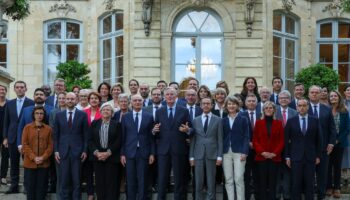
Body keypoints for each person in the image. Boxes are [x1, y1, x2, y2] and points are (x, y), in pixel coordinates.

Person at [153, 87, 191, 200]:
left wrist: (187, 130)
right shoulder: (159, 111)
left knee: (179, 178)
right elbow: (155, 129)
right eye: (167, 94)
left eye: (172, 94)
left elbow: (191, 129)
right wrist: (154, 130)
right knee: (162, 178)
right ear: (164, 97)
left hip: (179, 149)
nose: (170, 96)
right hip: (163, 150)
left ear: (176, 96)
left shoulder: (184, 110)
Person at [284, 98, 322, 200]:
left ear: (308, 107)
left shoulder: (315, 120)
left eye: (304, 105)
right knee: (296, 183)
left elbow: (319, 140)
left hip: (311, 157)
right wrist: (287, 156)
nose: (302, 108)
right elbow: (286, 141)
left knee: (310, 184)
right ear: (296, 108)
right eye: (299, 106)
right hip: (295, 157)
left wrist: (318, 155)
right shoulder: (291, 121)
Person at [54, 92, 88, 200]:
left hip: (77, 152)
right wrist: (56, 150)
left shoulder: (82, 115)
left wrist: (85, 150)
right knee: (64, 180)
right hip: (63, 152)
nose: (69, 101)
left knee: (76, 181)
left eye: (72, 99)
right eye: (68, 99)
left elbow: (86, 135)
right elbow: (56, 135)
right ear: (65, 100)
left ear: (76, 100)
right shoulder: (59, 115)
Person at [121, 94, 155, 200]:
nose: (137, 102)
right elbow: (123, 136)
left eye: (139, 100)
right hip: (129, 153)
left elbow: (151, 136)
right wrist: (122, 154)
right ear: (131, 102)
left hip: (144, 152)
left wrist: (152, 153)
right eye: (135, 100)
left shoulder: (149, 116)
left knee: (143, 180)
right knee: (130, 180)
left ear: (142, 102)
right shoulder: (126, 116)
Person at [3, 81, 34, 193]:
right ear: (14, 89)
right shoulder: (9, 103)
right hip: (12, 137)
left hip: (27, 138)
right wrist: (5, 137)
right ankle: (14, 186)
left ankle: (27, 186)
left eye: (22, 87)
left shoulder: (31, 103)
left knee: (27, 163)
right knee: (14, 163)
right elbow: (6, 121)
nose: (20, 89)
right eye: (17, 87)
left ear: (26, 89)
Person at [189, 97, 223, 200]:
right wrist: (191, 157)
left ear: (212, 105)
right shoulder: (195, 120)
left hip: (212, 154)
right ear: (201, 106)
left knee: (211, 181)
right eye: (204, 103)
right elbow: (193, 140)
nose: (206, 105)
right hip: (198, 155)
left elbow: (220, 139)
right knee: (198, 182)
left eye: (208, 103)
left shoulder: (218, 120)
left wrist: (219, 156)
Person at [308, 85, 336, 200]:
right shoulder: (303, 107)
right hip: (308, 149)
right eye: (312, 92)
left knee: (322, 175)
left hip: (324, 148)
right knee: (308, 175)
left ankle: (321, 196)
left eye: (316, 92)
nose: (314, 94)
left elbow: (332, 129)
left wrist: (331, 143)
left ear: (320, 94)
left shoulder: (327, 109)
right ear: (308, 94)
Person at [252, 101, 284, 200]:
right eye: (266, 108)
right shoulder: (258, 123)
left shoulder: (279, 123)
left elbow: (282, 141)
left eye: (271, 108)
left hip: (274, 158)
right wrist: (263, 152)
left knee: (273, 182)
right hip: (261, 157)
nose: (269, 109)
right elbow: (255, 140)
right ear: (263, 110)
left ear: (274, 110)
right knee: (262, 182)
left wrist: (274, 153)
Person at [89, 103, 122, 200]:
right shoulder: (94, 123)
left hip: (112, 157)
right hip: (97, 157)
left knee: (111, 183)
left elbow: (119, 140)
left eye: (108, 110)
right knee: (100, 183)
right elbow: (90, 139)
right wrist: (97, 152)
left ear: (112, 113)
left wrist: (108, 153)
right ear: (100, 112)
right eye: (104, 110)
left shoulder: (117, 124)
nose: (106, 111)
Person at [22, 106, 53, 200]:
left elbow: (50, 146)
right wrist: (33, 157)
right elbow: (25, 144)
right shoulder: (27, 128)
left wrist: (43, 157)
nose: (39, 115)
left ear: (44, 115)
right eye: (37, 113)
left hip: (44, 164)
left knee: (41, 188)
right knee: (30, 188)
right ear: (33, 115)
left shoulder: (48, 129)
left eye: (41, 113)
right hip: (30, 163)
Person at [222, 96, 249, 200]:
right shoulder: (223, 120)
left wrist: (245, 152)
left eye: (233, 104)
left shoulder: (243, 119)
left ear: (237, 105)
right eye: (229, 104)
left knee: (238, 178)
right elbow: (221, 137)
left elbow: (246, 136)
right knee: (228, 179)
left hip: (239, 152)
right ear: (226, 106)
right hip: (226, 152)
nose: (231, 106)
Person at [326, 90, 350, 198]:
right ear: (329, 98)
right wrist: (329, 141)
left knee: (337, 166)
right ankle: (329, 187)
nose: (333, 97)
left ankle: (337, 188)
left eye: (335, 96)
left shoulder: (344, 111)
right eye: (331, 96)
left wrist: (337, 140)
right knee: (327, 166)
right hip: (327, 143)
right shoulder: (326, 110)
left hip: (339, 143)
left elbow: (347, 128)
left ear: (339, 98)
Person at [275, 90, 297, 200]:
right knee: (277, 171)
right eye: (281, 98)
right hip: (276, 147)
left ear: (289, 100)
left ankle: (287, 194)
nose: (283, 100)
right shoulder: (273, 111)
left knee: (289, 171)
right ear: (278, 100)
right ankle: (277, 194)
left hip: (291, 146)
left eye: (286, 98)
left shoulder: (294, 112)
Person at [242, 94, 261, 200]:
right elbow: (240, 133)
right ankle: (247, 197)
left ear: (257, 103)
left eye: (253, 101)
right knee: (246, 176)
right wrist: (248, 142)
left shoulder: (262, 114)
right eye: (249, 101)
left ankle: (258, 196)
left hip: (259, 151)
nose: (251, 103)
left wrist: (257, 144)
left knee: (258, 176)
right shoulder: (241, 115)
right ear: (245, 103)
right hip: (246, 150)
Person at [84, 92, 102, 200]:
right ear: (88, 100)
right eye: (91, 98)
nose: (94, 100)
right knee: (88, 172)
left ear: (99, 100)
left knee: (99, 172)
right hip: (86, 146)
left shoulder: (103, 111)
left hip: (99, 146)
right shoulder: (83, 112)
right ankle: (90, 194)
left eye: (96, 98)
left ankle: (99, 193)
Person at [49, 91, 66, 198]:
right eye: (60, 98)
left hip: (71, 146)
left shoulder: (74, 111)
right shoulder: (53, 112)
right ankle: (60, 196)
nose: (62, 100)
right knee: (59, 174)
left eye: (63, 98)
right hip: (58, 146)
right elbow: (52, 130)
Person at [0, 84, 9, 185]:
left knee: (5, 156)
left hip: (5, 133)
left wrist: (6, 136)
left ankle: (3, 176)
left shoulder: (10, 104)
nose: (1, 91)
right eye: (0, 89)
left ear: (6, 91)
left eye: (3, 89)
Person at [342, 85, 350, 183]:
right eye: (347, 90)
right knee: (345, 154)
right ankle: (344, 177)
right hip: (345, 133)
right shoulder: (342, 104)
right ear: (344, 92)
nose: (349, 92)